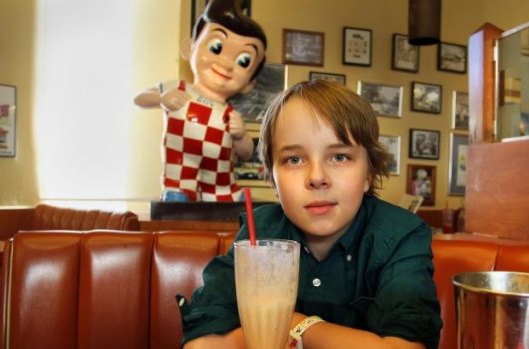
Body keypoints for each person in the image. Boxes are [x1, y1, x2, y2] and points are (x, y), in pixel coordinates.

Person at [181, 80, 442, 349]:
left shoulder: (401, 236)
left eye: (339, 157)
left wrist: (296, 325)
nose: (317, 178)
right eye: (294, 159)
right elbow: (201, 342)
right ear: (273, 178)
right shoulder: (259, 233)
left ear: (369, 174)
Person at [134, 0, 266, 202]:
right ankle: (178, 193)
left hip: (219, 181)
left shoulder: (230, 113)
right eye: (216, 47)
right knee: (178, 199)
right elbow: (140, 98)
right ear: (189, 48)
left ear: (250, 83)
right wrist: (161, 98)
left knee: (223, 198)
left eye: (243, 61)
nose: (226, 64)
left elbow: (246, 153)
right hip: (179, 172)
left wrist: (240, 137)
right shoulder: (177, 89)